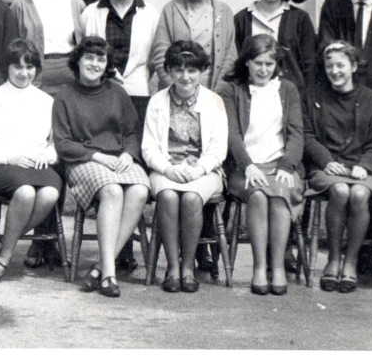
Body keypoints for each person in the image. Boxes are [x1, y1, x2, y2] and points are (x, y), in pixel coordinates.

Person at [10, 0, 88, 268]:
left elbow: (83, 50)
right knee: (39, 157)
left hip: (68, 84)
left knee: (60, 157)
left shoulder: (78, 4)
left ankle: (51, 239)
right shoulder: (21, 3)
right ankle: (39, 243)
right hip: (35, 84)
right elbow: (14, 51)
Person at [52, 36, 150, 298]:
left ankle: (99, 267)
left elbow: (132, 131)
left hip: (118, 157)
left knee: (140, 189)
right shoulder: (65, 95)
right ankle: (109, 274)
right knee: (113, 191)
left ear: (107, 64)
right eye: (89, 57)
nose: (94, 64)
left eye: (100, 59)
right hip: (83, 161)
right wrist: (96, 156)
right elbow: (62, 144)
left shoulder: (117, 92)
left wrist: (129, 154)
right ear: (79, 60)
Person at [218, 34, 304, 296]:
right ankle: (258, 267)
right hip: (245, 166)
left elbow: (296, 133)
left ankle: (277, 267)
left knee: (278, 195)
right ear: (246, 63)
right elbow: (232, 133)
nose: (264, 69)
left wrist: (287, 166)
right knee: (256, 196)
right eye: (258, 63)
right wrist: (248, 165)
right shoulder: (231, 90)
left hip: (280, 164)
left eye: (269, 63)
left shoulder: (287, 89)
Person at [141, 40, 226, 293]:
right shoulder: (158, 101)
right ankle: (172, 267)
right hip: (167, 167)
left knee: (191, 198)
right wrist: (168, 169)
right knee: (167, 195)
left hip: (204, 169)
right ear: (169, 71)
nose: (185, 76)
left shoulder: (214, 101)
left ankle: (188, 267)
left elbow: (218, 149)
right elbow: (149, 147)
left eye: (192, 70)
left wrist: (199, 169)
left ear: (201, 72)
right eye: (178, 69)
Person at [0, 39, 63, 286]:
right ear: (6, 68)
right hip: (3, 164)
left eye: (30, 67)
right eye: (18, 67)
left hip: (38, 165)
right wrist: (9, 157)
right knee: (25, 193)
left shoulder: (46, 101)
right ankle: (4, 258)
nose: (24, 73)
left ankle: (1, 243)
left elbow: (53, 145)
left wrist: (45, 156)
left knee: (49, 194)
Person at [303, 41, 372, 293]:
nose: (335, 71)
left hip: (359, 168)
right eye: (329, 66)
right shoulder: (314, 95)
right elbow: (307, 136)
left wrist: (365, 165)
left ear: (353, 67)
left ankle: (350, 262)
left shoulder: (370, 98)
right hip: (325, 167)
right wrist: (327, 161)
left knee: (359, 193)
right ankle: (333, 259)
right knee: (339, 191)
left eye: (341, 65)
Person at [81, 0, 159, 126]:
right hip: (100, 90)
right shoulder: (90, 13)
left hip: (139, 93)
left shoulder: (150, 13)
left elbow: (154, 59)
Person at [151, 0, 236, 93]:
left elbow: (230, 57)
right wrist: (177, 89)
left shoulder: (224, 11)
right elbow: (160, 56)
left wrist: (216, 93)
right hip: (177, 90)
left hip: (213, 91)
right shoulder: (170, 10)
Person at [234, 0, 316, 95]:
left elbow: (310, 64)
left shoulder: (300, 18)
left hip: (292, 98)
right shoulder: (241, 19)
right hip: (252, 97)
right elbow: (236, 64)